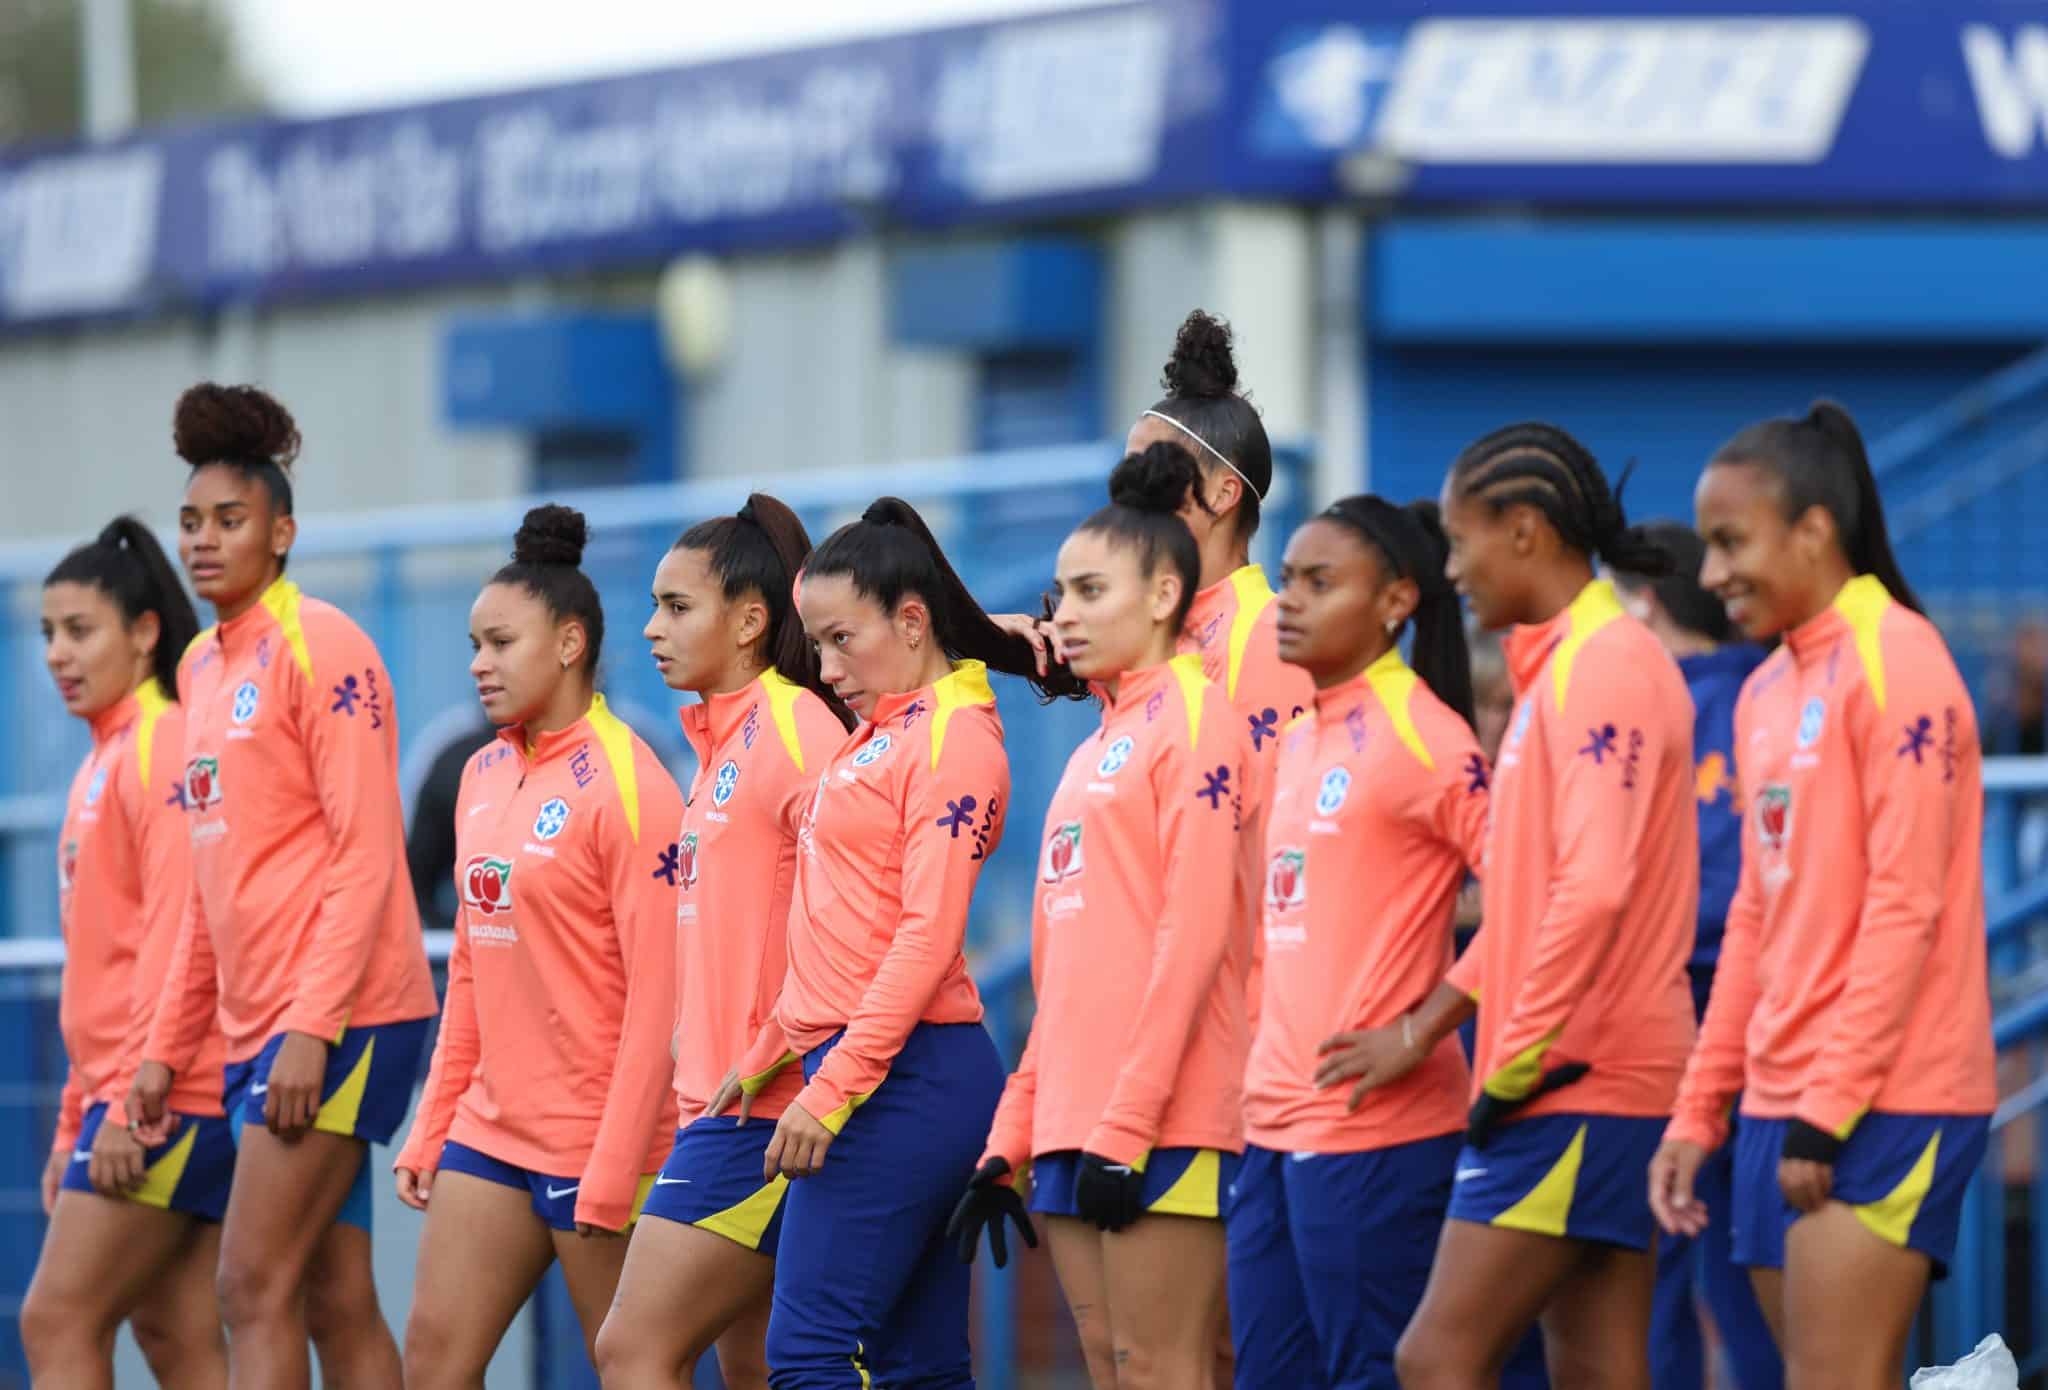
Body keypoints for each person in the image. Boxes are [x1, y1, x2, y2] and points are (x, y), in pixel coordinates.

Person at [1652, 402, 1998, 1390]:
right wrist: (1697, 1111)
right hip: (1775, 1101)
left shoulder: (1900, 660)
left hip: (1884, 1099)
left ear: (1812, 529)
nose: (1710, 574)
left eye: (1729, 542)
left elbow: (1905, 907)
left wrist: (1826, 1110)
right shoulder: (1763, 691)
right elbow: (1755, 921)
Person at [728, 497, 1084, 1389]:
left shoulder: (955, 739)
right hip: (879, 1073)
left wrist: (833, 1090)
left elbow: (926, 937)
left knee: (806, 1356)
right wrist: (776, 1046)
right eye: (817, 643)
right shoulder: (884, 731)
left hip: (902, 1082)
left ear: (912, 620)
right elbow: (851, 919)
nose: (828, 665)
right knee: (918, 1367)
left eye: (843, 638)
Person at [130, 383, 439, 1390]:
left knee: (248, 1284)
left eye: (230, 520)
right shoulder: (201, 672)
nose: (205, 540)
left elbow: (365, 848)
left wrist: (311, 1027)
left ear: (282, 529)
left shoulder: (326, 645)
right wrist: (167, 1046)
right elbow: (208, 891)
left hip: (344, 1017)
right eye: (190, 522)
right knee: (329, 1296)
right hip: (256, 1026)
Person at [1378, 423, 1698, 1390]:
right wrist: (1431, 1022)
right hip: (1583, 1074)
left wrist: (1514, 1064)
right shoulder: (1568, 667)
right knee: (1595, 1367)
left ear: (1525, 531)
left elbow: (1594, 888)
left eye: (1462, 538)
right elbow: (1531, 905)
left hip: (1574, 1082)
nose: (1450, 565)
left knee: (1434, 1358)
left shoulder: (1603, 667)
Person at [956, 444, 1247, 1389]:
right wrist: (1013, 1135)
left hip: (1165, 1118)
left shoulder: (1199, 717)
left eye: (1088, 591)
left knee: (1165, 1369)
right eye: (1058, 593)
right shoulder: (1095, 749)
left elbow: (1195, 936)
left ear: (1164, 594)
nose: (1062, 616)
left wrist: (1127, 1128)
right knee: (1111, 1367)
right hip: (1071, 1120)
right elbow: (1063, 970)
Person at [392, 505, 686, 1381]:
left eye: (499, 643)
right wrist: (431, 1126)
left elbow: (659, 998)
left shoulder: (633, 783)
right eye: (475, 645)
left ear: (568, 644)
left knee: (633, 1366)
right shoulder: (479, 774)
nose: (479, 665)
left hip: (601, 1140)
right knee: (434, 1358)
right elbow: (475, 974)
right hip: (492, 1131)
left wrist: (614, 1164)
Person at [1223, 494, 1506, 1390]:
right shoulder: (1303, 735)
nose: (1289, 602)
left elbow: (1538, 903)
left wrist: (1422, 1029)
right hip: (1268, 1124)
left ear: (1394, 602)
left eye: (1320, 582)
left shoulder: (1425, 735)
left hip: (1372, 1134)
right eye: (1289, 580)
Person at [594, 495, 855, 1390]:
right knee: (755, 1368)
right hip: (713, 1101)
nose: (650, 628)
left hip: (765, 1104)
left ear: (749, 620)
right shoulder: (717, 743)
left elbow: (861, 917)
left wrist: (779, 1059)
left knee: (631, 1350)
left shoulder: (797, 729)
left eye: (676, 607)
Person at [20, 518, 228, 1389]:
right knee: (178, 1340)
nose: (59, 654)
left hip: (168, 1093)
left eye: (80, 630)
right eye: (47, 635)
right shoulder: (106, 754)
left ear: (144, 633)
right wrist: (76, 1118)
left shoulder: (164, 741)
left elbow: (188, 929)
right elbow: (104, 965)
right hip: (128, 1091)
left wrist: (122, 1103)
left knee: (56, 1317)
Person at [1612, 526, 1780, 1390]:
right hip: (1772, 1007)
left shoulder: (1647, 706)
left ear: (1648, 601)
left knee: (1664, 1261)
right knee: (1753, 1260)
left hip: (1675, 1005)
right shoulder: (1780, 686)